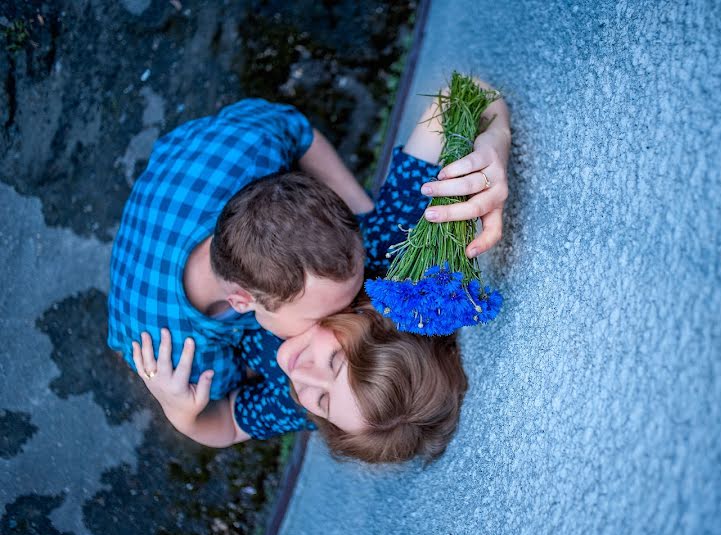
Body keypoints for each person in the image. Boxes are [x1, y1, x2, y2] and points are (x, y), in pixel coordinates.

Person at [121, 82, 511, 460]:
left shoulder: (295, 397)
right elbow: (461, 97)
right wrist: (495, 141)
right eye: (334, 363)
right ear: (371, 320)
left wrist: (182, 414)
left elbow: (229, 425)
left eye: (324, 403)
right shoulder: (390, 251)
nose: (303, 375)